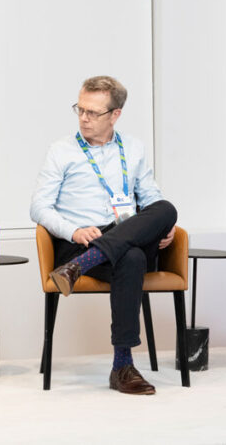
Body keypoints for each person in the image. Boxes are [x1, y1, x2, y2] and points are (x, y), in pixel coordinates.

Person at [30, 76, 177, 396]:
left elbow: (151, 197)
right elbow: (39, 208)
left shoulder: (133, 148)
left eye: (93, 112)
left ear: (115, 115)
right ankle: (123, 366)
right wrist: (74, 231)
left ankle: (78, 269)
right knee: (132, 256)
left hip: (118, 235)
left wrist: (166, 228)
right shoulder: (61, 151)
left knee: (167, 210)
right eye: (80, 109)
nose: (84, 118)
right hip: (78, 243)